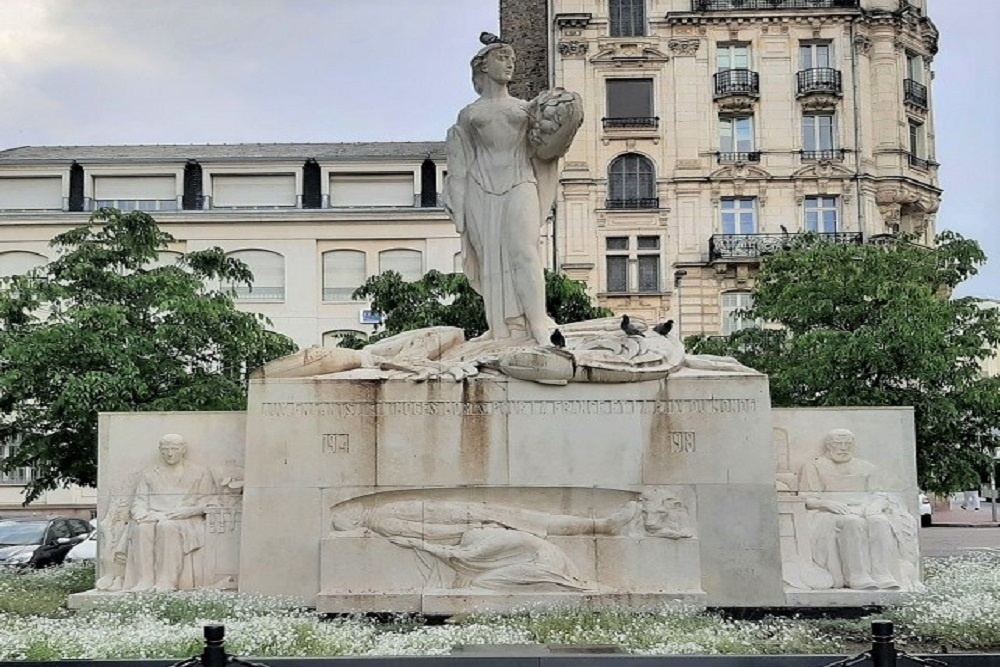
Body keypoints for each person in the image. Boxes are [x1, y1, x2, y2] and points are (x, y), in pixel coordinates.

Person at [443, 34, 582, 345]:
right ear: (483, 65)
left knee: (524, 252)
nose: (509, 63)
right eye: (502, 57)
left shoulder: (525, 108)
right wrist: (461, 215)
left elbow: (547, 149)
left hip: (520, 181)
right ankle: (500, 329)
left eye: (512, 59)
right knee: (491, 258)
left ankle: (538, 324)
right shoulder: (468, 115)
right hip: (480, 189)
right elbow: (459, 164)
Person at [798, 429, 918, 591]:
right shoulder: (814, 466)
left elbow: (879, 494)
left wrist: (873, 506)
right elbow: (807, 499)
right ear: (828, 445)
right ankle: (857, 575)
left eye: (847, 444)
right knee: (852, 523)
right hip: (828, 514)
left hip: (863, 509)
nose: (843, 448)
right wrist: (827, 504)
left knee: (880, 522)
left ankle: (882, 574)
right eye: (838, 444)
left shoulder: (866, 467)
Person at [120, 434, 215, 592]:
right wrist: (140, 514)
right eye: (165, 449)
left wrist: (188, 511)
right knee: (141, 528)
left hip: (185, 519)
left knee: (167, 527)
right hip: (154, 516)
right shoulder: (149, 473)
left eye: (174, 449)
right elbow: (139, 501)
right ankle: (145, 580)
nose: (170, 453)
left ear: (183, 450)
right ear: (160, 450)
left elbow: (208, 501)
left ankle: (166, 581)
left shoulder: (200, 472)